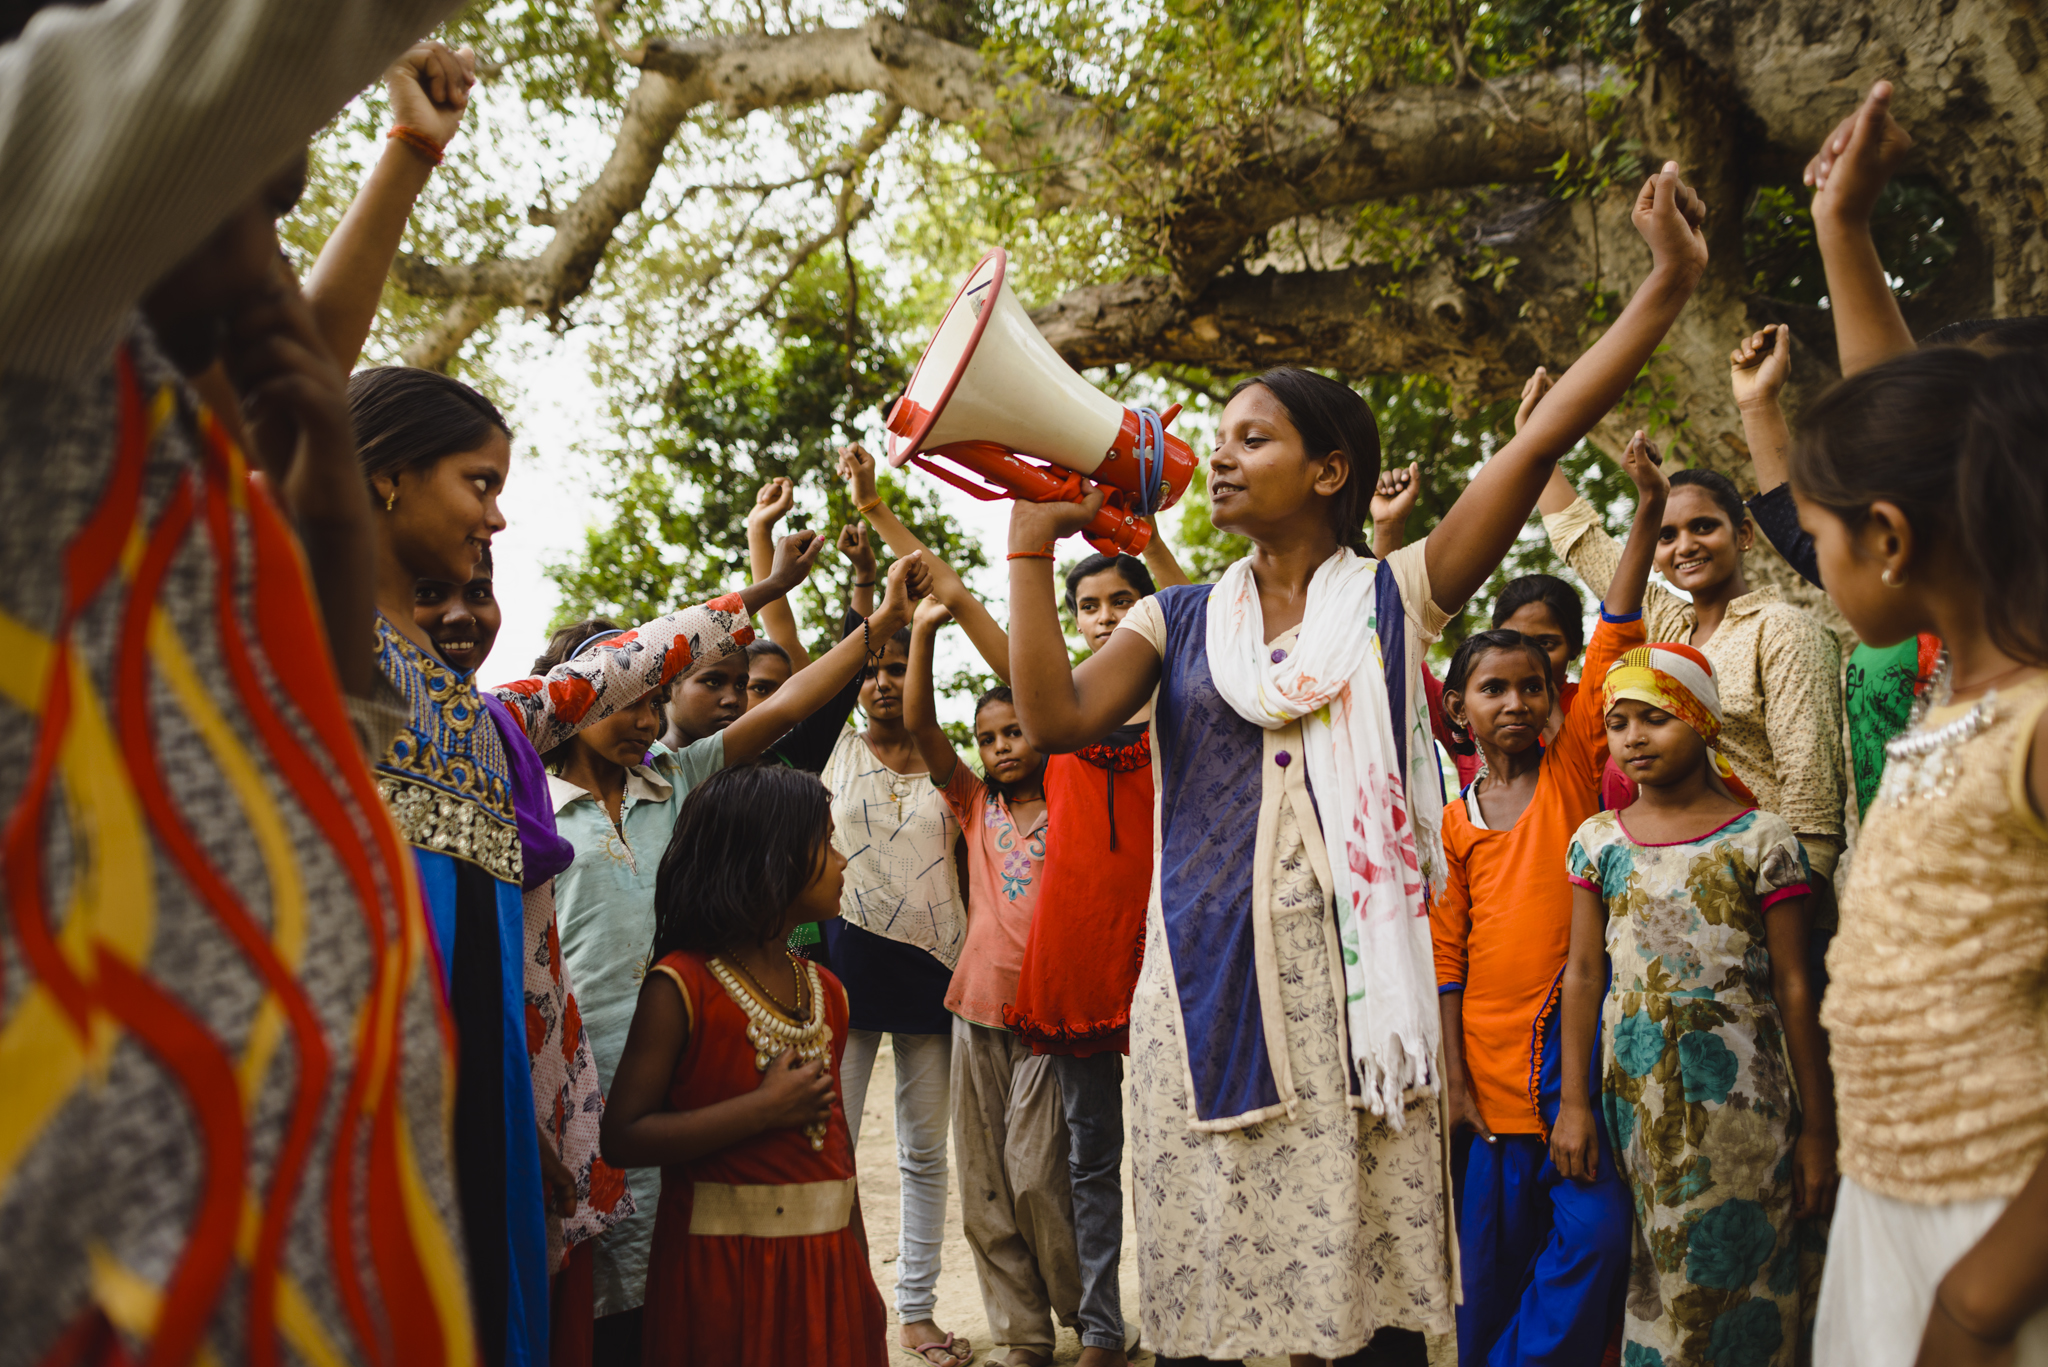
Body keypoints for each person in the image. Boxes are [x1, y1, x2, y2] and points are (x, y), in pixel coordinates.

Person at [1004, 163, 1711, 1366]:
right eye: (1214, 439)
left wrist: (1663, 285)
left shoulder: (1396, 596)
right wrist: (1024, 554)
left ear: (1329, 471)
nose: (1216, 457)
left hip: (1349, 1012)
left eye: (1251, 437)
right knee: (1215, 1301)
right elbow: (1057, 717)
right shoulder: (1172, 620)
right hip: (1206, 997)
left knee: (1357, 1307)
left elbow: (1539, 436)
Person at [0, 1, 478, 1360]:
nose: (275, 260)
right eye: (257, 196)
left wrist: (328, 529)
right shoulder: (23, 278)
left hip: (299, 1236)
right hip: (115, 1263)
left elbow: (316, 745)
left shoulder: (171, 438)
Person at [540, 552, 926, 1364]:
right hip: (583, 1097)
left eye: (652, 702)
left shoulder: (674, 780)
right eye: (624, 701)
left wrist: (877, 628)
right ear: (568, 703)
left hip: (699, 1081)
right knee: (600, 1311)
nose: (646, 722)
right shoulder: (533, 812)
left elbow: (787, 701)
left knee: (689, 1291)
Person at [1784, 347, 2048, 1366]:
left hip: (1997, 1236)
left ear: (1886, 535)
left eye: (1815, 539)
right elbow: (1926, 421)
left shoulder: (2030, 723)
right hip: (1891, 1203)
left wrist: (1980, 1298)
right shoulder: (1955, 699)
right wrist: (1838, 226)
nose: (1817, 564)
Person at [1432, 432, 1663, 1366]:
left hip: (1577, 1064)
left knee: (1597, 1236)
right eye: (1494, 687)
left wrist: (1644, 515)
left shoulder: (1575, 761)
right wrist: (1451, 1079)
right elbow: (1447, 958)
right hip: (1487, 1080)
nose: (1518, 700)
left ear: (1563, 705)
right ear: (1460, 709)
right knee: (1489, 1267)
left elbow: (1613, 626)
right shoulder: (1450, 819)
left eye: (1535, 685)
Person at [1550, 636, 1837, 1366]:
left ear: (1702, 723)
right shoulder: (1598, 841)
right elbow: (1583, 974)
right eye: (1618, 723)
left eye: (1655, 718)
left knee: (1746, 1266)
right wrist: (1575, 1102)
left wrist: (1816, 1131)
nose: (1633, 738)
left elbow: (1795, 986)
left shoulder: (1762, 838)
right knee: (1658, 1268)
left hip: (1747, 1102)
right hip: (1640, 1102)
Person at [415, 550, 637, 1364]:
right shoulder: (373, 746)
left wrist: (764, 589)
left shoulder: (497, 731)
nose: (461, 615)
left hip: (546, 1080)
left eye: (478, 591)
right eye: (428, 593)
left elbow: (642, 656)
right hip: (470, 1089)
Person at [598, 765, 888, 1366]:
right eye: (826, 841)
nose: (842, 859)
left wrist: (860, 1273)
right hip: (721, 1277)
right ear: (772, 858)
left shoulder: (828, 990)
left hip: (827, 1269)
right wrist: (762, 1110)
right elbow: (623, 1136)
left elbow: (839, 1152)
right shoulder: (682, 985)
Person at [1536, 410, 1846, 943]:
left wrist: (1780, 943)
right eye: (1667, 536)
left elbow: (1813, 815)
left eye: (1704, 526)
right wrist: (1540, 433)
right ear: (1653, 556)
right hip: (1680, 914)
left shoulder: (1783, 631)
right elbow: (1584, 543)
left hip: (1778, 914)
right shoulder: (1665, 626)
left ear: (1744, 534)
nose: (1685, 546)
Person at [907, 600, 1080, 1367]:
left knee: (1040, 1176)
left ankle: (1089, 1314)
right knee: (984, 1185)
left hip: (1052, 1017)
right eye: (988, 738)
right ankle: (1024, 1335)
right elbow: (920, 728)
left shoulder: (1075, 795)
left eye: (1014, 731)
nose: (1002, 746)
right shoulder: (975, 806)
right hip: (977, 1012)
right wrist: (922, 633)